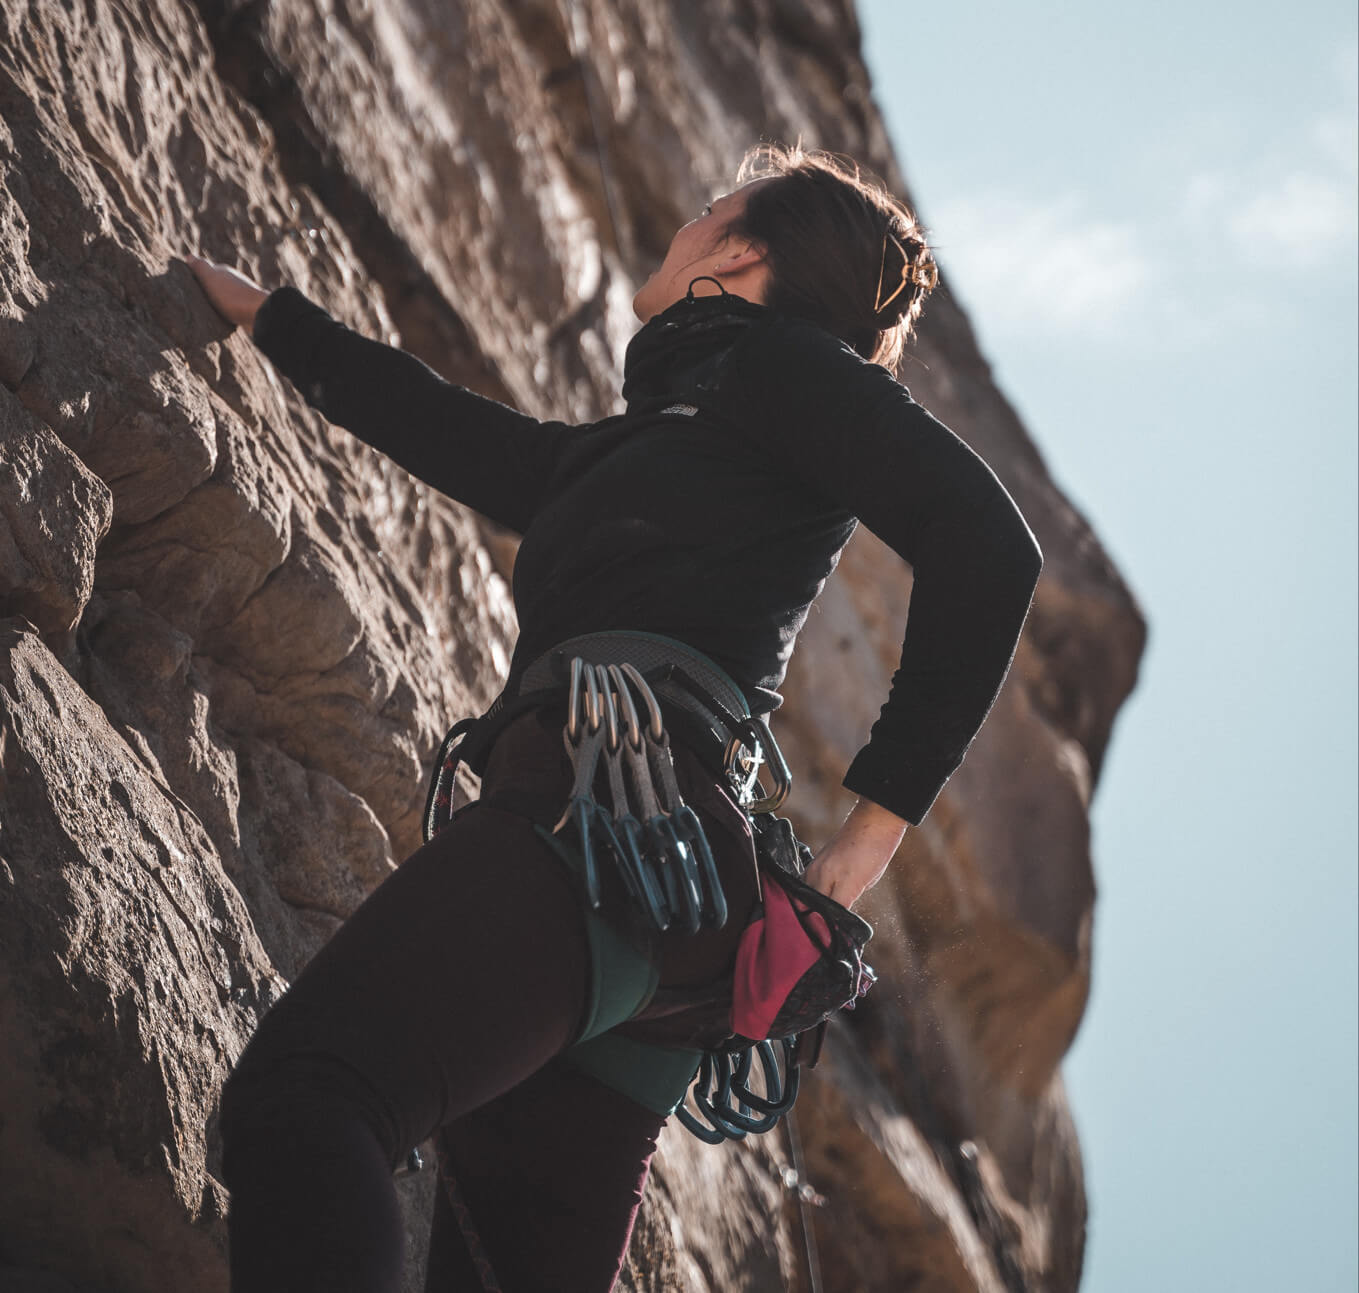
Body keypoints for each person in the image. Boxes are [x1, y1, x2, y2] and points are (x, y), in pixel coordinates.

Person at [187, 144, 1042, 1293]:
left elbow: (991, 550)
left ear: (739, 254)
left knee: (311, 1093)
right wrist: (264, 317)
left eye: (708, 213)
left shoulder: (778, 366)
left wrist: (867, 839)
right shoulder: (665, 438)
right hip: (665, 918)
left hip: (604, 830)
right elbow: (451, 432)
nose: (684, 227)